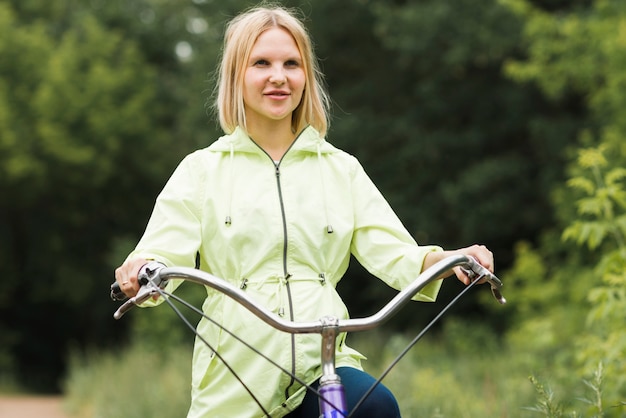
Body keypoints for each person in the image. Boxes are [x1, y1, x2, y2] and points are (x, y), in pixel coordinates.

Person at [114, 4, 494, 418]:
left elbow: (395, 251)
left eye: (291, 64)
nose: (278, 76)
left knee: (374, 408)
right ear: (237, 76)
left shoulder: (340, 169)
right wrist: (142, 270)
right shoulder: (202, 170)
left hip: (322, 365)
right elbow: (160, 253)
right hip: (235, 378)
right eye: (261, 63)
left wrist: (450, 260)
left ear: (306, 77)